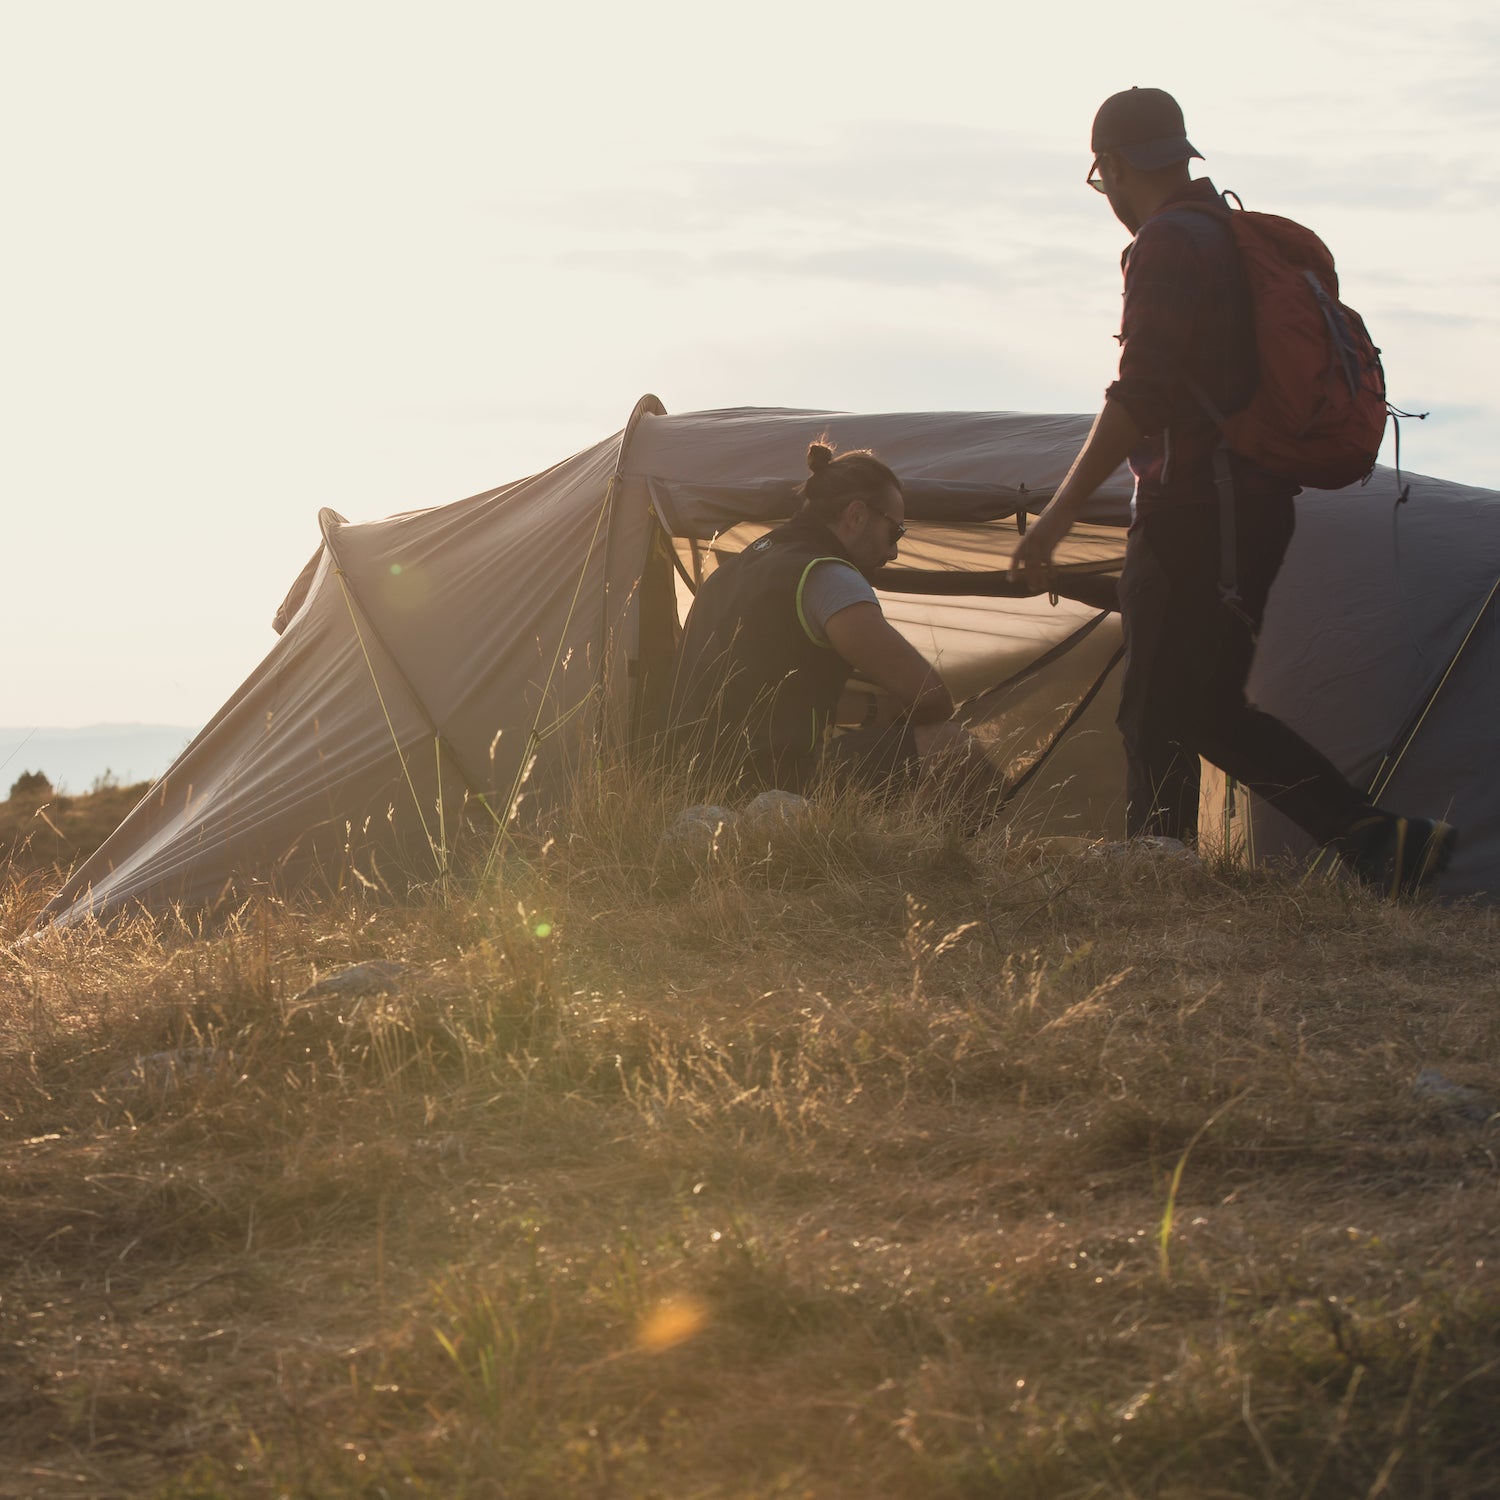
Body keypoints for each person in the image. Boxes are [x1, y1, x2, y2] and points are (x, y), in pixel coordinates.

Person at [1008, 86, 1455, 896]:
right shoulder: (1222, 233)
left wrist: (1056, 519)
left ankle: (1160, 862)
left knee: (1155, 699)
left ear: (1109, 169)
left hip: (1195, 507)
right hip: (1252, 506)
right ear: (1180, 155)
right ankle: (1381, 844)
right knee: (1206, 703)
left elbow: (1139, 393)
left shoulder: (1168, 243)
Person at [666, 440, 1006, 815]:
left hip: (696, 781)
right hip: (776, 785)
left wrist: (875, 711)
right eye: (895, 532)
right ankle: (936, 865)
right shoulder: (826, 574)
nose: (893, 553)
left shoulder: (733, 571)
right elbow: (931, 696)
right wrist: (899, 726)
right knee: (951, 746)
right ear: (857, 515)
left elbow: (773, 694)